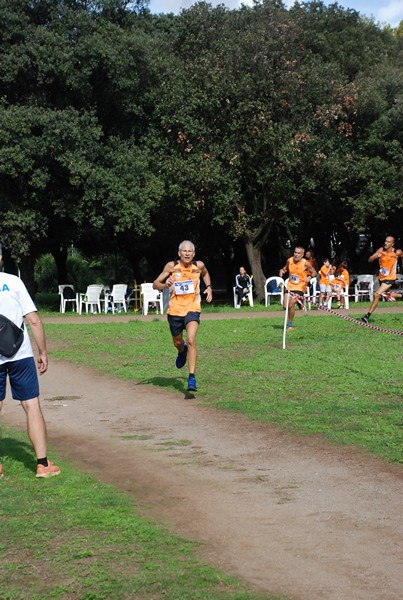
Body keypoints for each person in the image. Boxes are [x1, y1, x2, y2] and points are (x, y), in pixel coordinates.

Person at [0, 262, 60, 479]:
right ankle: (42, 464)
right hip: (20, 354)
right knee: (31, 405)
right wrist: (42, 352)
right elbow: (33, 319)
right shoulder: (13, 282)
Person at [153, 241, 213, 392]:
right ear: (179, 253)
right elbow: (155, 284)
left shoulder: (198, 266)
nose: (187, 253)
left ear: (194, 254)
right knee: (178, 342)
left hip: (192, 308)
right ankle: (181, 351)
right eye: (184, 251)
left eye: (190, 251)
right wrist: (165, 284)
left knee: (191, 340)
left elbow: (205, 273)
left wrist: (209, 288)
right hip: (174, 310)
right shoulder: (171, 266)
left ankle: (192, 377)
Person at [361, 236, 403, 323]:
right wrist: (375, 256)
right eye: (385, 241)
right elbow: (369, 260)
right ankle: (401, 296)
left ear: (392, 244)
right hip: (381, 277)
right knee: (389, 295)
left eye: (388, 242)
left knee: (377, 295)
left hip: (390, 278)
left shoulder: (397, 252)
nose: (386, 243)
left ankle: (367, 316)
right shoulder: (381, 250)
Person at [279, 246, 317, 330]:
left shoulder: (305, 263)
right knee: (285, 306)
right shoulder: (289, 260)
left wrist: (309, 277)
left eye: (298, 253)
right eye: (295, 252)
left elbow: (314, 272)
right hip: (290, 285)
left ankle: (289, 324)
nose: (296, 254)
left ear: (302, 255)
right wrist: (282, 271)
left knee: (291, 304)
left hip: (300, 287)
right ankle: (289, 322)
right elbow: (285, 268)